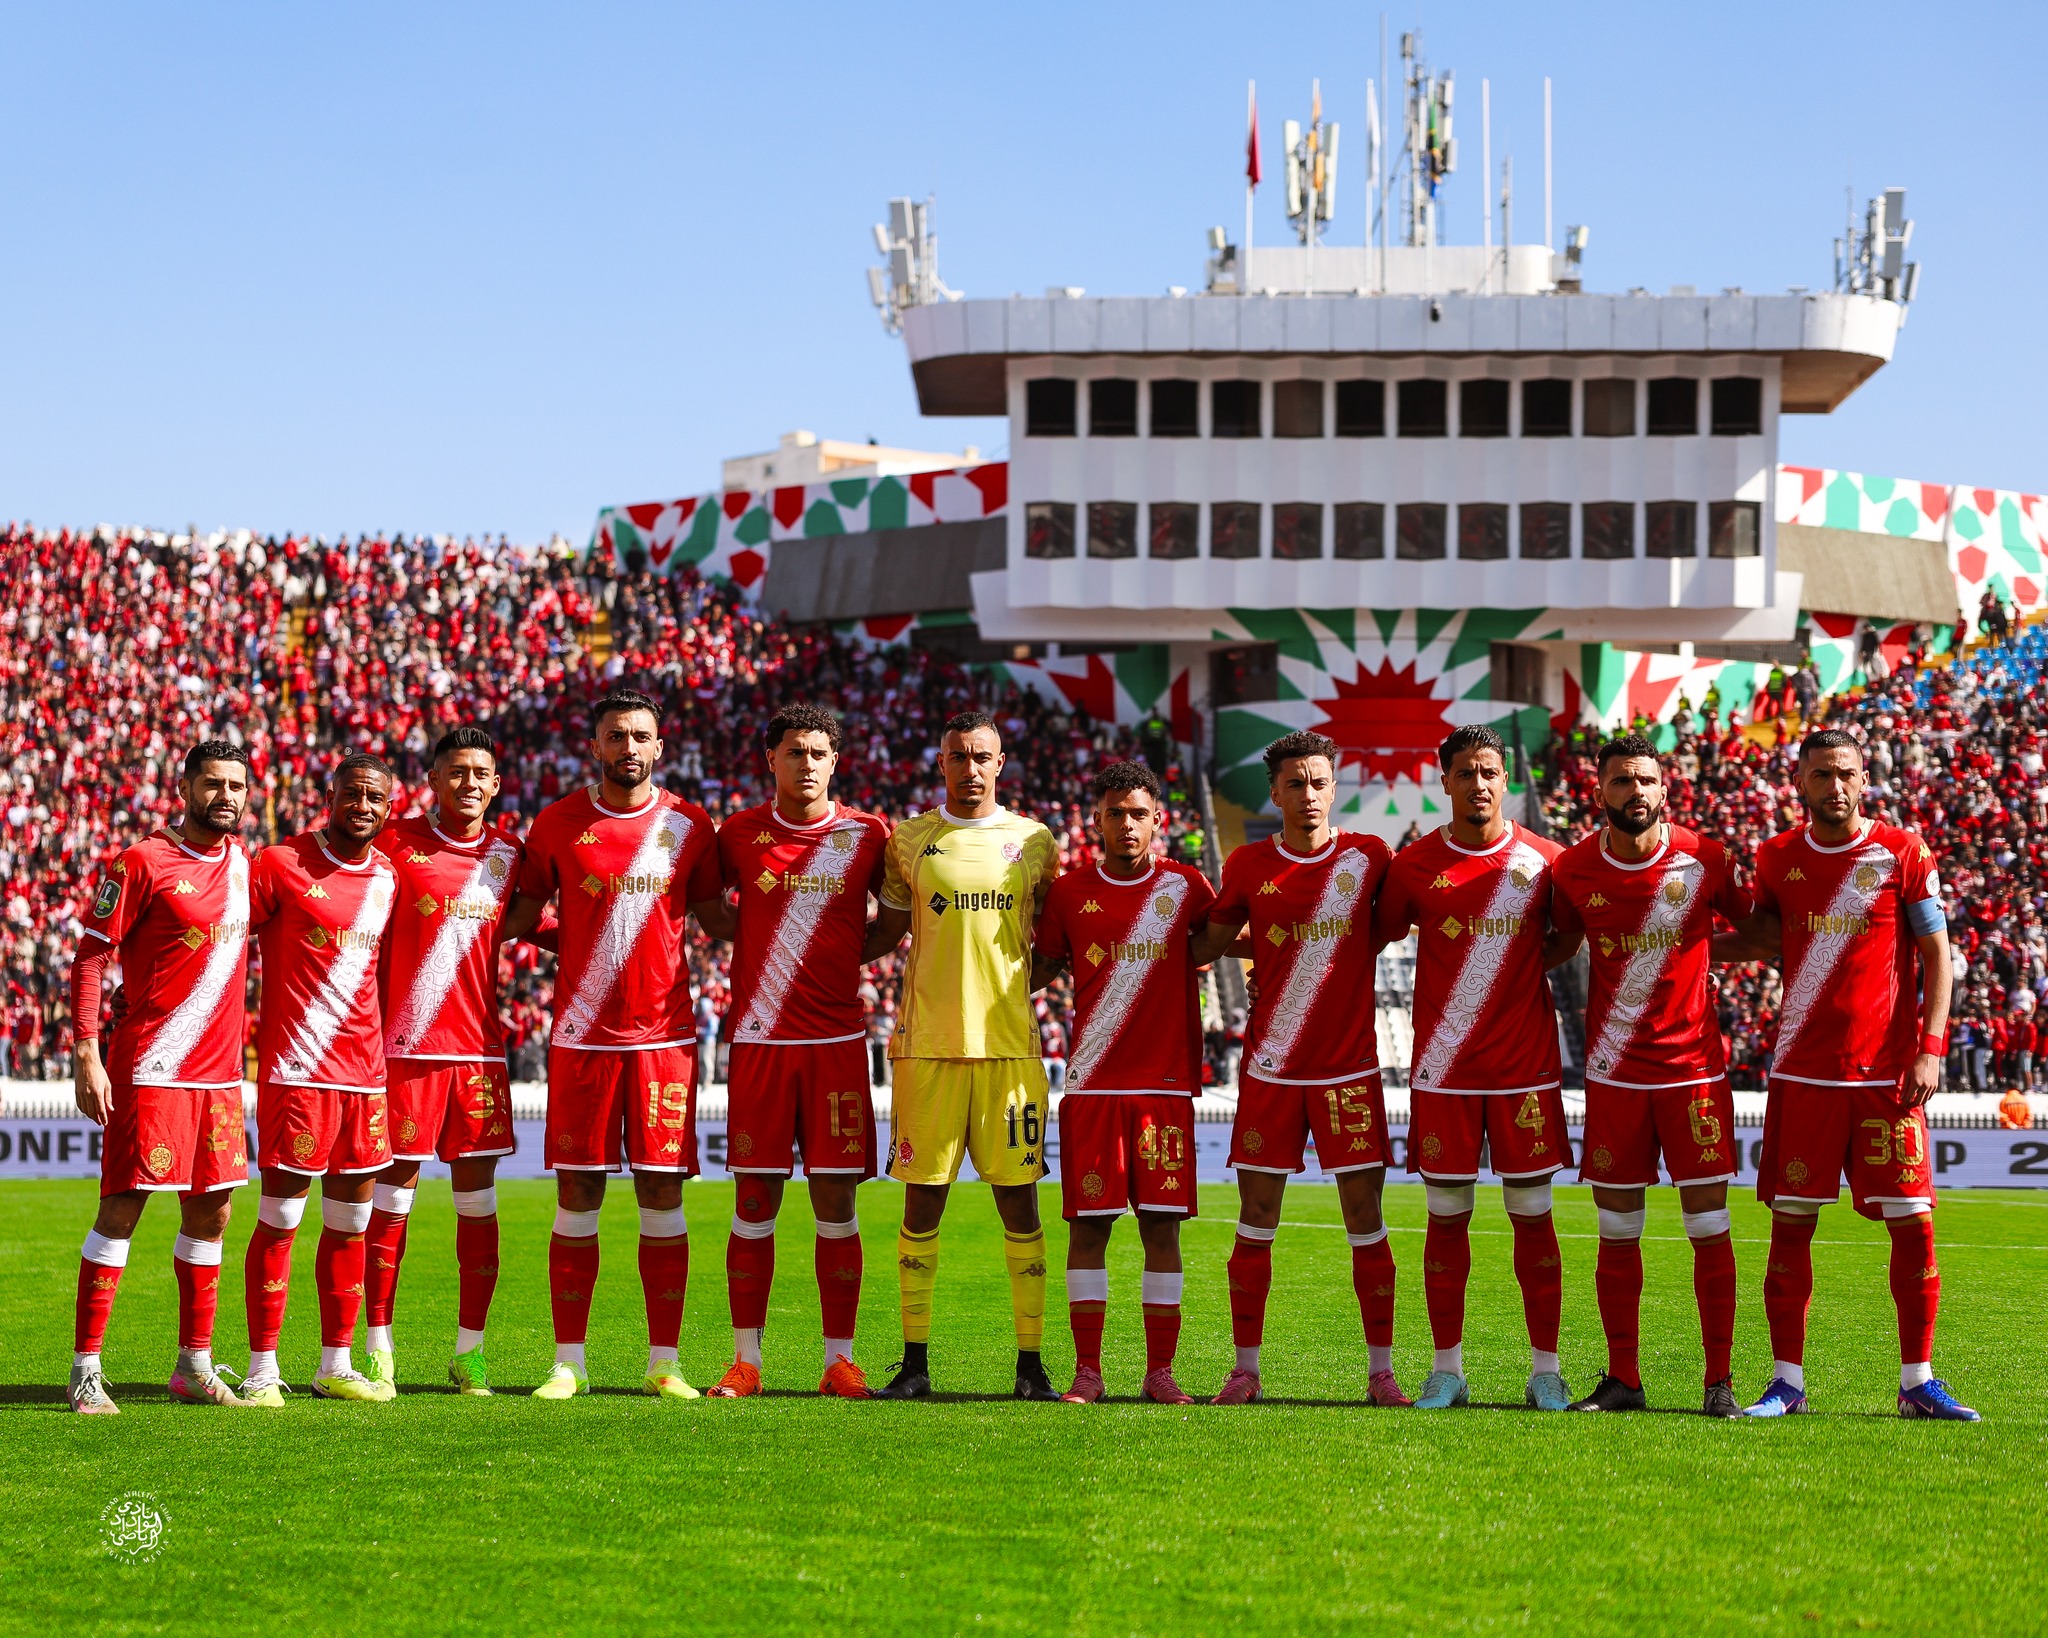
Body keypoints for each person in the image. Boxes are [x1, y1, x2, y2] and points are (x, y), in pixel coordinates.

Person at [1735, 727, 1978, 1420]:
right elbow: (1759, 938)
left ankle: (1917, 1381)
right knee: (1791, 1227)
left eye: (1844, 773)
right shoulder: (1776, 856)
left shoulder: (1903, 850)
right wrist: (1662, 939)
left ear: (1862, 775)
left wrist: (1931, 1048)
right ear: (1800, 782)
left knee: (1913, 1225)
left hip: (1885, 1077)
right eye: (1820, 775)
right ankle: (1786, 1383)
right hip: (1804, 1075)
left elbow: (1938, 954)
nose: (1833, 787)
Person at [501, 689, 726, 1401]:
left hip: (664, 1039)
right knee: (578, 1195)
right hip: (582, 1039)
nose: (628, 748)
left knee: (663, 1194)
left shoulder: (691, 824)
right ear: (594, 747)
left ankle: (666, 1363)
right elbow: (526, 914)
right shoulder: (559, 822)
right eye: (615, 736)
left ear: (660, 747)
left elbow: (720, 917)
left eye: (641, 737)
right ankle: (569, 1362)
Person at [1188, 731, 1399, 1406]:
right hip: (1271, 1072)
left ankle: (1381, 1373)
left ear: (1333, 787)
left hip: (1348, 1073)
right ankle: (1245, 1369)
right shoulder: (1249, 864)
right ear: (1274, 792)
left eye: (1319, 782)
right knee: (1255, 1218)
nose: (1308, 795)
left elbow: (1384, 929)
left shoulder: (1370, 857)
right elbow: (1210, 941)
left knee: (1365, 1216)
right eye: (1295, 784)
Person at [1548, 733, 1750, 1418]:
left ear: (1666, 788)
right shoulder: (1573, 871)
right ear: (1598, 791)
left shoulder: (1706, 859)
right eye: (1621, 782)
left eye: (1646, 780)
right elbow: (1560, 941)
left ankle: (1718, 1382)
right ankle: (1624, 1380)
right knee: (1616, 1229)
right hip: (1614, 1076)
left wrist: (1699, 945)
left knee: (1710, 1226)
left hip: (1694, 1072)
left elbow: (1760, 932)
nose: (1635, 792)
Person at [1372, 726, 1572, 1411]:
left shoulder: (1548, 861)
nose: (1478, 784)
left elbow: (1571, 934)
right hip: (1444, 1073)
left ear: (1505, 779)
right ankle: (1446, 1369)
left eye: (1489, 771)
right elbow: (1376, 933)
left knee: (1533, 1215)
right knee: (1447, 1216)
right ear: (1445, 780)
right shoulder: (1413, 865)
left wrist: (1522, 973)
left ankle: (1546, 1369)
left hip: (1524, 1071)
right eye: (1465, 772)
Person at [865, 711, 1061, 1400]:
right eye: (958, 756)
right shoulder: (911, 840)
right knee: (922, 1208)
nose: (970, 768)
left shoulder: (1035, 841)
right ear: (940, 762)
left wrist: (1011, 989)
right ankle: (915, 1365)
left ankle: (1031, 1367)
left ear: (1000, 763)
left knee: (1021, 1208)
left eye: (982, 757)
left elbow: (1057, 940)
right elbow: (887, 930)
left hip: (1010, 1052)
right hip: (928, 1051)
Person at [700, 703, 891, 1400]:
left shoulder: (867, 835)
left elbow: (892, 921)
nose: (806, 764)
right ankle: (745, 1361)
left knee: (836, 1202)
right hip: (760, 1042)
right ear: (770, 761)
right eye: (793, 752)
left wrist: (838, 961)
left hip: (838, 1043)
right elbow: (713, 910)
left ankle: (840, 1361)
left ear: (835, 761)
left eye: (818, 753)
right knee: (755, 1199)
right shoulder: (739, 833)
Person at [67, 741, 257, 1414]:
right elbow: (91, 954)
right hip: (150, 1068)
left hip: (220, 1079)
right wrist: (87, 1052)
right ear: (184, 788)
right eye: (213, 783)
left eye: (236, 784)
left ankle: (193, 1366)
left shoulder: (244, 867)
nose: (226, 795)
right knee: (123, 1208)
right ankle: (86, 1368)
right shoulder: (142, 860)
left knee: (215, 1213)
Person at [364, 725, 550, 1396]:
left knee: (478, 1207)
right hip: (402, 1053)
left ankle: (469, 1352)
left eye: (482, 773)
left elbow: (538, 924)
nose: (469, 783)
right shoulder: (393, 845)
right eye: (457, 772)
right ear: (434, 781)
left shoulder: (511, 853)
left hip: (477, 1055)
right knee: (390, 1204)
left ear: (496, 785)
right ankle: (379, 1344)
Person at [1032, 762, 1214, 1406]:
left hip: (1164, 1088)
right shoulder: (1068, 893)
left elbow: (1225, 939)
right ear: (1098, 821)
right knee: (1090, 1229)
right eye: (1115, 813)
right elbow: (1040, 966)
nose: (1127, 824)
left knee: (1161, 1231)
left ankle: (1159, 1371)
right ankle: (1089, 1371)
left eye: (1139, 813)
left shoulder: (1188, 887)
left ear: (1157, 820)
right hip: (1091, 1086)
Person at [239, 752, 400, 1406]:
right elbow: (225, 938)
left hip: (366, 1077)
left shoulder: (388, 876)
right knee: (279, 1218)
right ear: (330, 795)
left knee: (351, 1222)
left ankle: (336, 1364)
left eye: (376, 798)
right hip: (298, 1072)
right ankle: (261, 1370)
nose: (364, 805)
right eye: (353, 793)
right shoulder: (279, 864)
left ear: (389, 809)